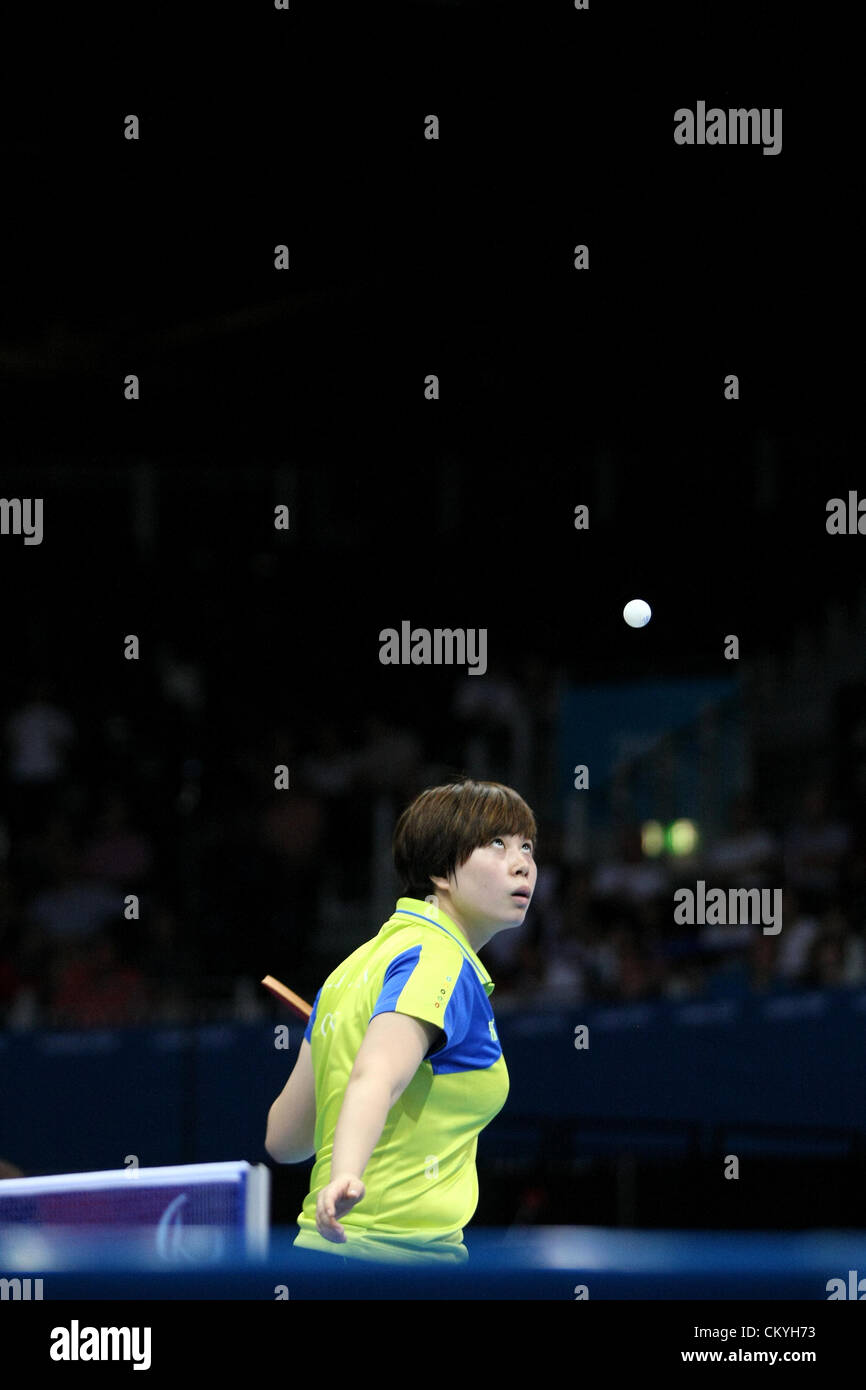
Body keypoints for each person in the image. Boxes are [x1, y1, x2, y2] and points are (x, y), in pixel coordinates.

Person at [265, 777, 537, 1265]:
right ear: (440, 872)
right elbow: (379, 1077)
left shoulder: (350, 971)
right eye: (497, 844)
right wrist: (348, 1173)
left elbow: (285, 1140)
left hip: (321, 1259)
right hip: (389, 1265)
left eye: (526, 847)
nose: (523, 863)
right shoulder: (437, 958)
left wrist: (336, 1071)